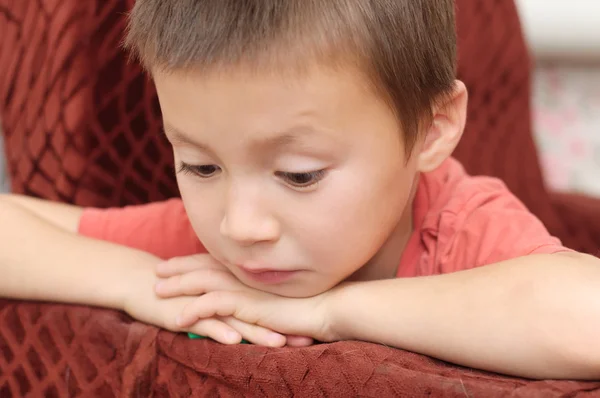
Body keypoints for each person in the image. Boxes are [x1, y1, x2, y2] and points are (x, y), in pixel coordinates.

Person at [1, 0, 599, 380]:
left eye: (299, 175)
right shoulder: (212, 247)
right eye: (199, 167)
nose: (239, 226)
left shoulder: (460, 220)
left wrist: (326, 311)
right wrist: (136, 281)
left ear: (431, 130)